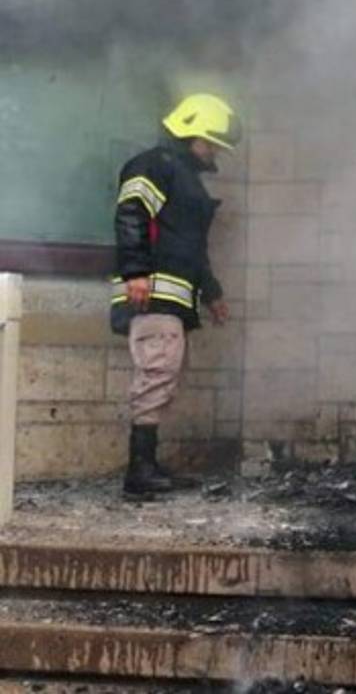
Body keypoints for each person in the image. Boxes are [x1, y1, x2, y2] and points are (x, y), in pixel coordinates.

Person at [110, 93, 240, 496]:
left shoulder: (184, 181)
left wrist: (211, 293)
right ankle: (140, 472)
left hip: (170, 299)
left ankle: (148, 466)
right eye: (210, 141)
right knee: (157, 372)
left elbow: (192, 248)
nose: (214, 150)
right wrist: (135, 271)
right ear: (189, 131)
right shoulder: (153, 166)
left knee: (164, 375)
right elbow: (131, 211)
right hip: (152, 295)